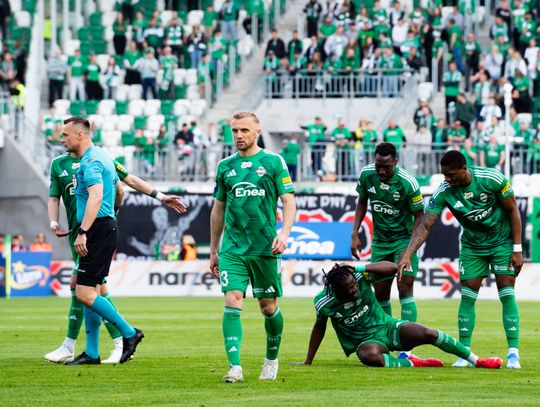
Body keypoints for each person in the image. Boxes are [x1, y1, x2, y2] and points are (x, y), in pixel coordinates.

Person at [46, 129, 187, 363]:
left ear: (79, 135)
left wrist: (97, 223)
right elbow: (121, 187)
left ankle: (123, 335)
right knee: (91, 289)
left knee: (83, 289)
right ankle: (93, 351)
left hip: (91, 231)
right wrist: (56, 222)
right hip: (82, 232)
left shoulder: (95, 160)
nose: (61, 139)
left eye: (65, 134)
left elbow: (120, 187)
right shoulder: (63, 163)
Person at [398, 150, 523, 369]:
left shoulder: (492, 179)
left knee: (506, 291)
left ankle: (513, 354)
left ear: (464, 169)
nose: (447, 179)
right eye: (444, 175)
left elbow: (513, 209)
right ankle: (464, 354)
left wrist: (517, 248)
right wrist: (408, 253)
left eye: (451, 174)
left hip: (501, 242)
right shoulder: (444, 191)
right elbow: (426, 224)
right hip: (472, 246)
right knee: (467, 295)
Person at [210, 111, 296, 383]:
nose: (238, 135)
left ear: (257, 132)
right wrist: (213, 250)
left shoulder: (273, 162)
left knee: (268, 307)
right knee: (232, 299)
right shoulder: (225, 166)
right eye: (235, 130)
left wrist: (284, 233)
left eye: (244, 130)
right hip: (233, 248)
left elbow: (289, 201)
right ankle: (234, 367)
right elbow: (218, 209)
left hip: (265, 247)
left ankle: (271, 360)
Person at [295, 262, 502, 369]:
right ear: (336, 290)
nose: (355, 290)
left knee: (429, 333)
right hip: (366, 342)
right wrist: (308, 360)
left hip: (388, 327)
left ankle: (477, 360)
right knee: (369, 356)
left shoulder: (359, 276)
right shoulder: (324, 303)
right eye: (350, 289)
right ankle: (413, 363)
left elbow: (393, 268)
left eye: (355, 285)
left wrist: (358, 267)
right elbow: (319, 328)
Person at [350, 142, 424, 359]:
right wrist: (354, 233)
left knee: (405, 287)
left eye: (387, 167)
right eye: (378, 166)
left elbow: (419, 216)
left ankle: (407, 349)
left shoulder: (408, 182)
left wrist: (409, 250)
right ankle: (387, 340)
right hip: (380, 242)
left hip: (404, 240)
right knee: (381, 292)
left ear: (396, 162)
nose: (381, 171)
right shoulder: (367, 175)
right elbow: (362, 202)